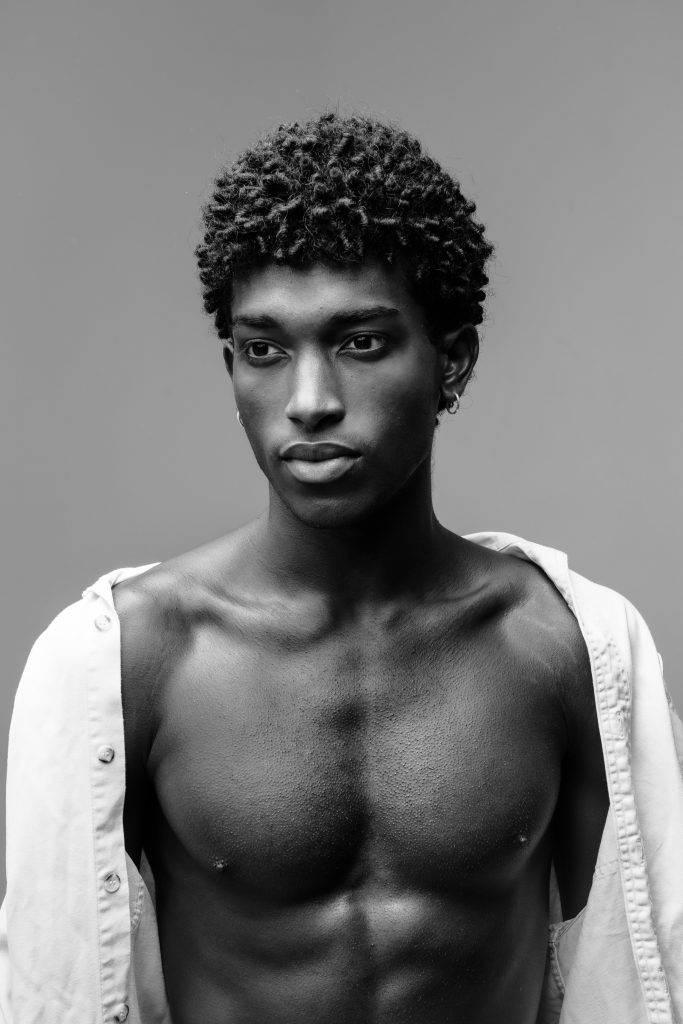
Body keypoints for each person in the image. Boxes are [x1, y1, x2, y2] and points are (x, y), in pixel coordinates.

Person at [1, 112, 682, 1024]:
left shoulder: (568, 648)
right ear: (232, 367)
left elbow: (639, 975)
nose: (309, 401)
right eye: (265, 350)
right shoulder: (126, 658)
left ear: (452, 363)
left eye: (359, 343)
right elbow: (55, 987)